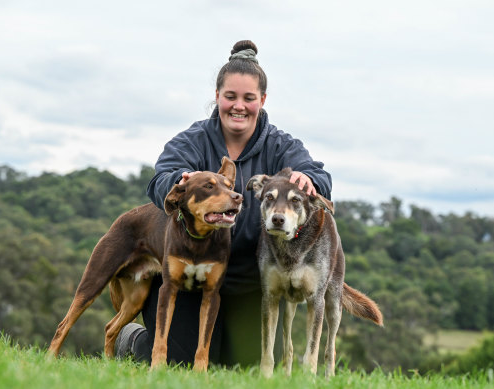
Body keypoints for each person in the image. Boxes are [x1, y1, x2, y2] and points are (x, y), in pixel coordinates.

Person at [115, 40, 332, 367]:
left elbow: (319, 175)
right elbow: (160, 180)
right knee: (181, 363)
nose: (239, 106)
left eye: (249, 98)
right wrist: (180, 181)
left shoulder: (279, 145)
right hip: (190, 278)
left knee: (242, 369)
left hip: (248, 284)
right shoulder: (193, 140)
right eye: (230, 97)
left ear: (262, 100)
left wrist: (309, 179)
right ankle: (132, 339)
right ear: (217, 97)